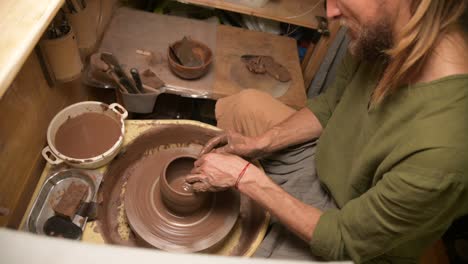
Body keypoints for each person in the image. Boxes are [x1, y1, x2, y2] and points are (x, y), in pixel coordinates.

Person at [186, 0, 468, 262]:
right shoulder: (389, 34)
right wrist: (260, 143)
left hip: (347, 228)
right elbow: (332, 104)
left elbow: (344, 238)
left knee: (231, 250)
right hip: (324, 166)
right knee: (246, 104)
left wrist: (245, 178)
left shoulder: (445, 151)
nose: (330, 11)